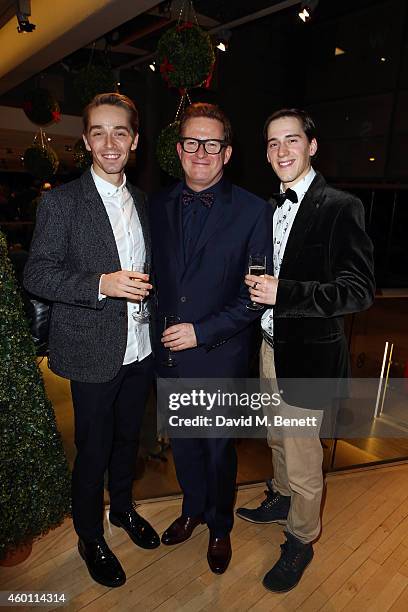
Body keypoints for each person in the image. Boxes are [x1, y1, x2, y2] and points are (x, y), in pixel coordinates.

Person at [236, 108, 375, 592]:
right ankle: (280, 499)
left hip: (310, 356)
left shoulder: (340, 206)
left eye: (291, 140)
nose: (281, 152)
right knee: (276, 438)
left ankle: (301, 537)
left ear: (312, 146)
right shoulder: (266, 206)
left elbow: (358, 290)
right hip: (271, 346)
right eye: (272, 143)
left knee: (302, 457)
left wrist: (285, 292)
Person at [24, 93, 159, 589]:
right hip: (91, 351)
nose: (109, 142)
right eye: (98, 132)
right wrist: (101, 284)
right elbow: (38, 274)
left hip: (140, 348)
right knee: (94, 448)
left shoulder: (143, 201)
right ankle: (89, 535)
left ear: (135, 141)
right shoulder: (61, 203)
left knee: (129, 441)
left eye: (119, 132)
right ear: (85, 141)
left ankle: (122, 510)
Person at [150, 102, 273, 574]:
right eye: (192, 142)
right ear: (180, 150)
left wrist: (201, 331)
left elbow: (255, 296)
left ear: (226, 153)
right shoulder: (157, 205)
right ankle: (192, 510)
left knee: (218, 450)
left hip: (220, 356)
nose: (201, 152)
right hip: (168, 357)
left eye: (212, 144)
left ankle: (220, 526)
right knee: (183, 444)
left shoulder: (252, 211)